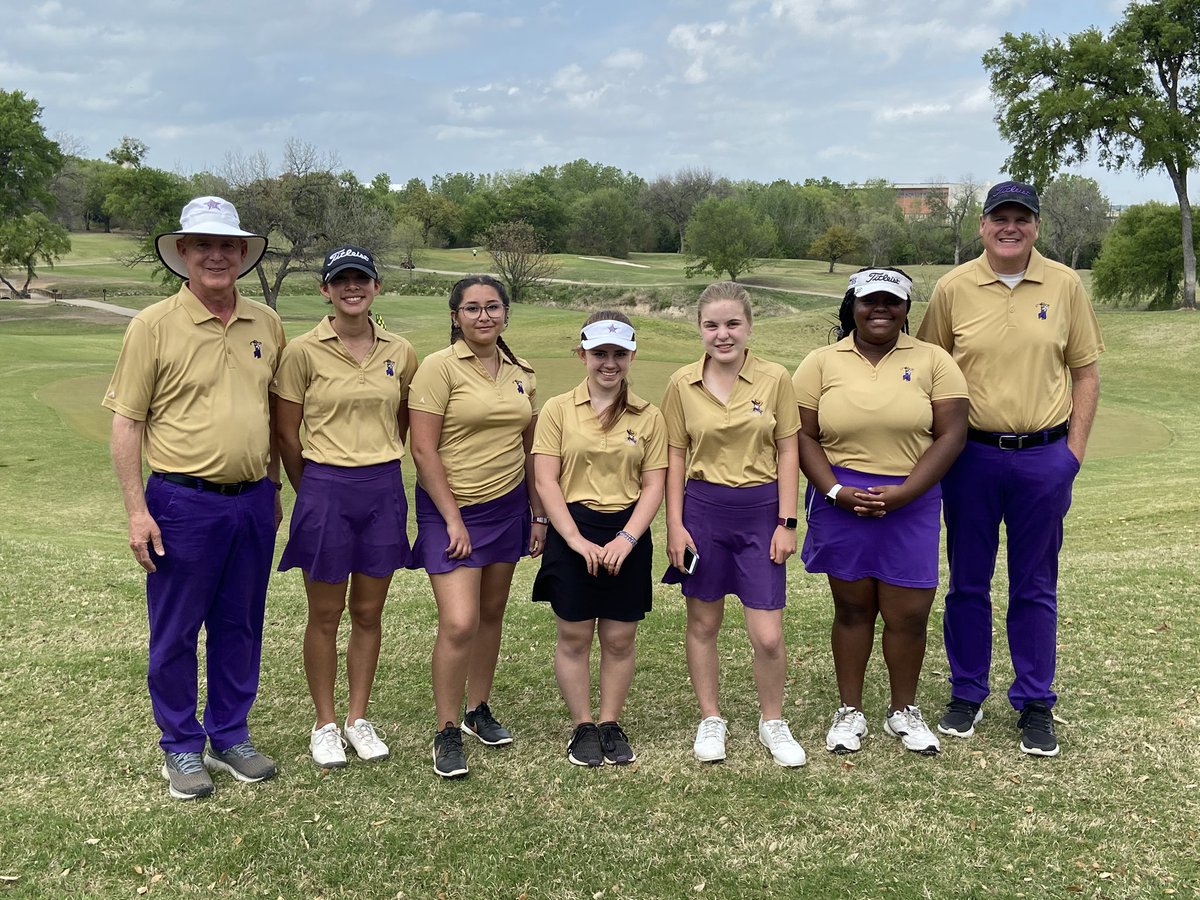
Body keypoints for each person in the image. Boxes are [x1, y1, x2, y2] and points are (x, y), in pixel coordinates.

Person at [102, 196, 283, 800]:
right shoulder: (152, 325)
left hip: (253, 499)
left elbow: (273, 414)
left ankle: (230, 734)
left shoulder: (266, 322)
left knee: (241, 624)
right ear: (183, 252)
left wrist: (275, 485)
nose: (215, 255)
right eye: (202, 245)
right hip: (182, 502)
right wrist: (136, 509)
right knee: (177, 630)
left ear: (242, 254)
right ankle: (180, 746)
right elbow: (127, 422)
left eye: (227, 246)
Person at [917, 180, 1104, 757]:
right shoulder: (953, 288)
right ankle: (967, 693)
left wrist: (1070, 456)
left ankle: (1034, 701)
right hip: (969, 456)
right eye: (1000, 217)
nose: (1010, 227)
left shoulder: (1065, 285)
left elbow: (1086, 374)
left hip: (1044, 456)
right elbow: (928, 371)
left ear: (1036, 226)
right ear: (982, 224)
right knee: (967, 582)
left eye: (1022, 218)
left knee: (1035, 585)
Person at [793, 267, 968, 756]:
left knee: (908, 613)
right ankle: (849, 711)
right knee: (851, 609)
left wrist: (907, 492)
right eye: (870, 301)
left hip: (911, 498)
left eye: (892, 301)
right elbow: (802, 435)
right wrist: (833, 491)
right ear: (852, 305)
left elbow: (951, 433)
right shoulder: (821, 362)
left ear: (906, 309)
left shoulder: (934, 360)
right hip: (841, 499)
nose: (880, 309)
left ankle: (902, 711)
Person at [273, 246, 418, 768]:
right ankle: (325, 724)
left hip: (382, 487)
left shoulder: (400, 351)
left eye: (361, 280)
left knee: (368, 611)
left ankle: (359, 719)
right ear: (326, 291)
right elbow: (286, 433)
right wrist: (309, 486)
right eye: (341, 281)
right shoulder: (303, 352)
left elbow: (403, 419)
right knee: (326, 613)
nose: (351, 288)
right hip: (324, 486)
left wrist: (376, 458)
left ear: (376, 287)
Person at [660, 281, 806, 767]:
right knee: (704, 622)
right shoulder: (682, 383)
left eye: (732, 324)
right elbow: (675, 456)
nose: (722, 335)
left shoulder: (776, 378)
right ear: (699, 329)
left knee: (766, 633)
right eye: (711, 325)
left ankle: (772, 722)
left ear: (749, 327)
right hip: (702, 511)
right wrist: (674, 525)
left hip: (761, 512)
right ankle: (711, 718)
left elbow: (789, 450)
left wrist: (787, 520)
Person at [408, 275, 545, 778]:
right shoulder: (436, 369)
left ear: (506, 313)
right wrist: (451, 520)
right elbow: (422, 450)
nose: (483, 316)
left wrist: (537, 514)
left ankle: (476, 710)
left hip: (507, 507)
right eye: (472, 308)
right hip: (451, 509)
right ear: (455, 316)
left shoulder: (521, 372)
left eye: (492, 307)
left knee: (490, 615)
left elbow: (531, 449)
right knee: (460, 622)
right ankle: (445, 730)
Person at [531, 311, 667, 767]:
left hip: (627, 531)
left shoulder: (649, 416)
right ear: (582, 355)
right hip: (573, 530)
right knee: (573, 633)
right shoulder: (556, 409)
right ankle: (582, 725)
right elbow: (547, 481)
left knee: (620, 636)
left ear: (631, 356)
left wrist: (627, 539)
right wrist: (574, 540)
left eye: (619, 354)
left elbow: (654, 485)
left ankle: (610, 721)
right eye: (599, 353)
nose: (609, 363)